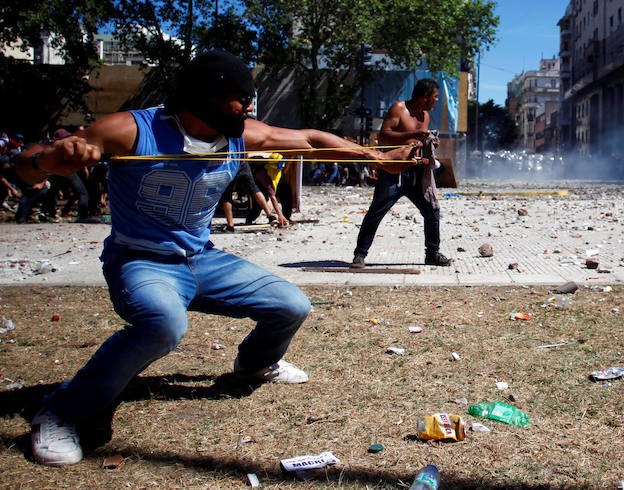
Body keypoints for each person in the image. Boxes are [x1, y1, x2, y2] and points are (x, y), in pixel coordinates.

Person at [14, 49, 414, 467]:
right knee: (164, 325)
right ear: (206, 97)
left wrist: (376, 158)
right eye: (242, 98)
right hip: (142, 261)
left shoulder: (242, 133)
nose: (249, 107)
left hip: (202, 259)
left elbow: (312, 139)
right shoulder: (129, 129)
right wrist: (50, 160)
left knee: (292, 305)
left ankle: (256, 365)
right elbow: (24, 167)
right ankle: (61, 411)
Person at [351, 78, 452, 268]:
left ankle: (432, 253)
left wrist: (430, 143)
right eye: (436, 97)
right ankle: (360, 254)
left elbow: (420, 143)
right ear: (425, 96)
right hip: (394, 172)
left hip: (416, 173)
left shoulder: (425, 116)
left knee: (432, 211)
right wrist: (411, 136)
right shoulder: (399, 108)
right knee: (376, 212)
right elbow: (384, 135)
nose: (437, 101)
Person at [219, 160, 279, 231]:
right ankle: (270, 215)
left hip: (230, 164)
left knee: (227, 195)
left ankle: (230, 225)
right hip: (242, 163)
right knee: (254, 189)